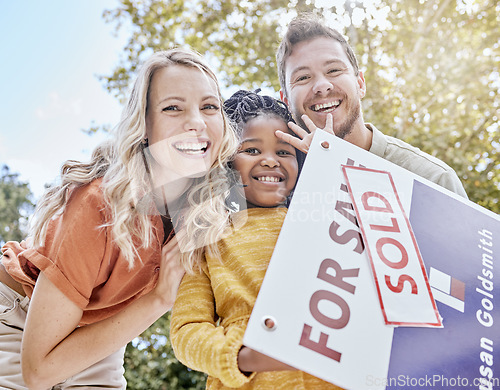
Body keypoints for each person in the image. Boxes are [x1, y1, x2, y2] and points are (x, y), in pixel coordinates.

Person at [0, 48, 238, 390]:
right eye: (173, 107)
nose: (196, 122)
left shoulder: (208, 207)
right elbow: (37, 372)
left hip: (96, 325)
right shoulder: (98, 206)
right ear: (144, 125)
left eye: (209, 106)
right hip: (19, 314)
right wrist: (159, 299)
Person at [170, 90, 342, 389]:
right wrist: (242, 356)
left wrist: (331, 160)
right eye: (251, 151)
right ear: (224, 162)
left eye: (284, 152)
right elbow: (186, 331)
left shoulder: (327, 219)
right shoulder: (207, 238)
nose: (271, 161)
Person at [275, 14, 468, 198]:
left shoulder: (433, 180)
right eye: (303, 77)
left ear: (360, 84)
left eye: (333, 70)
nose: (322, 86)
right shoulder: (274, 185)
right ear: (286, 102)